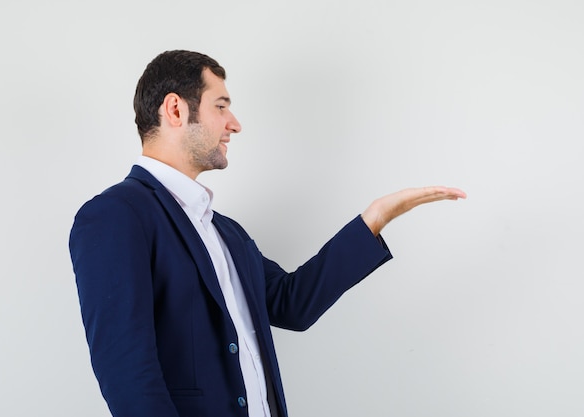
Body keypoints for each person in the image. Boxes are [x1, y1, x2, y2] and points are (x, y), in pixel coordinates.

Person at [69, 50, 466, 417]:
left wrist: (375, 218)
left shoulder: (224, 231)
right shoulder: (115, 215)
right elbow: (125, 371)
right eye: (220, 106)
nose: (234, 124)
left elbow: (292, 304)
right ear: (175, 109)